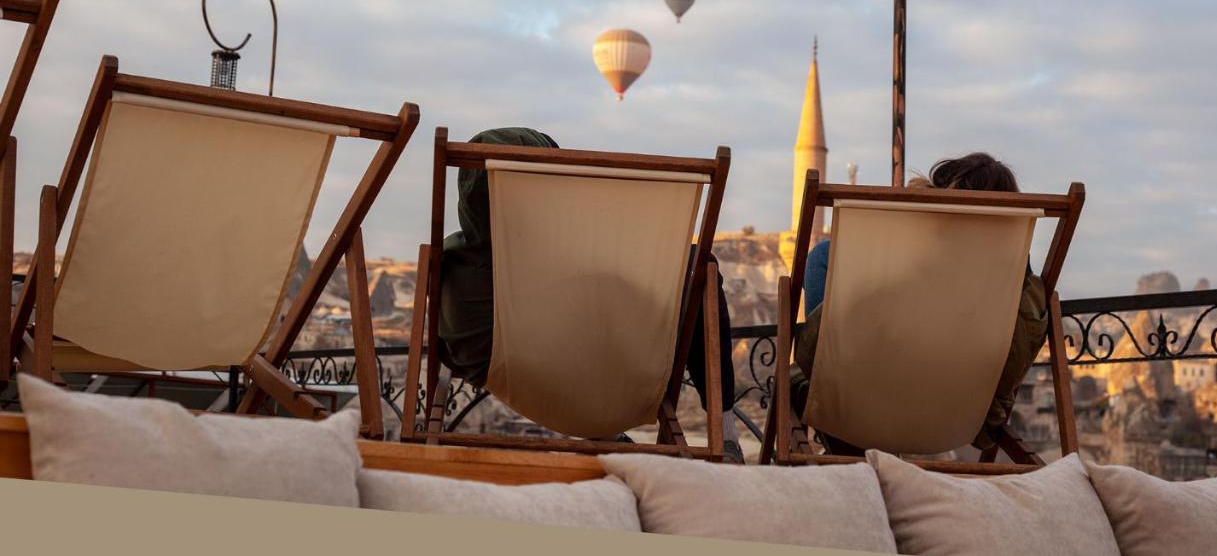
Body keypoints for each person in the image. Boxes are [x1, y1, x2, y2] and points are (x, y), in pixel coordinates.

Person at [436, 127, 743, 462]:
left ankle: (608, 436)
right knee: (700, 266)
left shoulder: (460, 271)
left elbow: (463, 352)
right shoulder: (591, 264)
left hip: (532, 379)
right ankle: (724, 434)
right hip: (618, 364)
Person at [791, 152, 1048, 454]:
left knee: (824, 256)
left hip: (857, 411)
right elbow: (1013, 367)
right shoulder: (1018, 290)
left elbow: (813, 350)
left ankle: (844, 427)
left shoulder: (904, 278)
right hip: (962, 422)